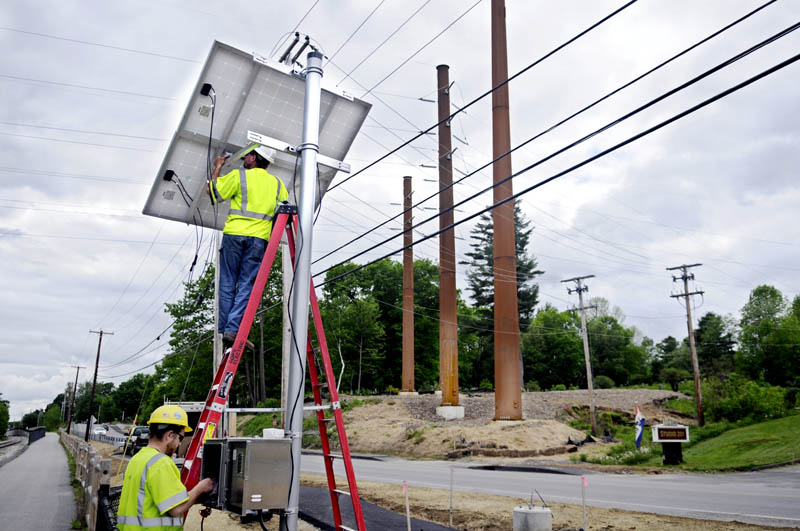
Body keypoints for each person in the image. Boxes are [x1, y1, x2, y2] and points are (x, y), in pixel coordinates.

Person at [208, 146, 289, 350]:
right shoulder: (278, 184)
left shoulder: (239, 176)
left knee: (228, 282)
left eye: (247, 156)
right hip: (258, 240)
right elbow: (284, 214)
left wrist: (218, 167)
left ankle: (226, 329)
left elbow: (213, 192)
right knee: (247, 285)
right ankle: (232, 329)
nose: (244, 159)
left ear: (254, 158)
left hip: (234, 235)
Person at [117, 405, 213, 530]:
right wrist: (202, 487)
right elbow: (175, 509)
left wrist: (196, 498)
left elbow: (159, 501)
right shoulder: (161, 463)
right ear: (170, 435)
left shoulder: (137, 459)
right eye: (180, 438)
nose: (179, 444)